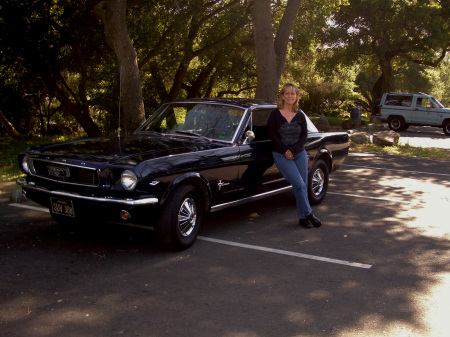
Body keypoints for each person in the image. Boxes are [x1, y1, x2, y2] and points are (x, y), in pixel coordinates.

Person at [267, 83, 323, 228]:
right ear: (282, 96)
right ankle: (309, 214)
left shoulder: (300, 115)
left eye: (293, 94)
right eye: (287, 93)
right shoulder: (275, 114)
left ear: (296, 96)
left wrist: (295, 150)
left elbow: (304, 135)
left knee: (302, 186)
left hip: (299, 154)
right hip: (280, 154)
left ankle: (302, 218)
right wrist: (285, 150)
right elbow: (272, 134)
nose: (290, 96)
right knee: (298, 183)